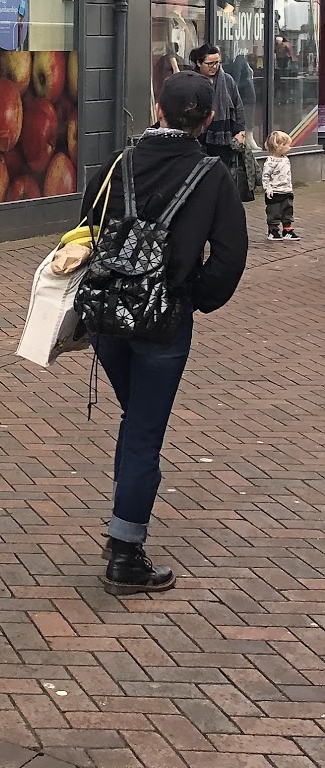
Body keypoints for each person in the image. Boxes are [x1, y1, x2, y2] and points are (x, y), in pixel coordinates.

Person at [80, 70, 247, 595]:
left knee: (137, 421)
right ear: (208, 119)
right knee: (145, 429)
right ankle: (126, 553)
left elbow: (87, 226)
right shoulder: (212, 175)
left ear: (157, 110)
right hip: (164, 321)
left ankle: (121, 527)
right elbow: (229, 257)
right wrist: (196, 296)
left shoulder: (117, 163)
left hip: (109, 318)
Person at [191, 44, 247, 188]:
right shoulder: (191, 81)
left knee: (223, 177)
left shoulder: (227, 80)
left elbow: (238, 106)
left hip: (223, 138)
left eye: (218, 62)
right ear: (199, 63)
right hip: (199, 138)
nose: (214, 67)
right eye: (210, 63)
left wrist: (240, 131)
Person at [262, 129, 298, 240]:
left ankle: (287, 229)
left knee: (288, 210)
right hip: (275, 192)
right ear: (279, 146)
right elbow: (265, 176)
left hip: (287, 191)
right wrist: (268, 188)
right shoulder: (270, 162)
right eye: (288, 145)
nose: (290, 148)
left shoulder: (286, 159)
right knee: (274, 212)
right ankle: (273, 230)